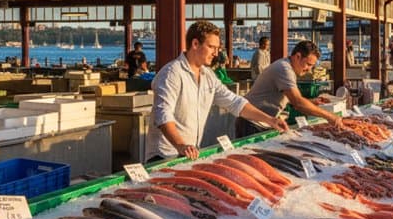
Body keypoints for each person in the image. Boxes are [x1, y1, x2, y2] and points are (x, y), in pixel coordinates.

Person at [145, 21, 288, 162]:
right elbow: (162, 114)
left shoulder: (208, 75)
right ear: (195, 44)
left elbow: (235, 102)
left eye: (217, 48)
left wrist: (270, 120)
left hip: (188, 154)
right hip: (164, 156)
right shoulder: (171, 73)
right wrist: (180, 145)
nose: (216, 53)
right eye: (211, 47)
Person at [236, 40, 343, 138]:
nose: (309, 70)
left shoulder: (288, 68)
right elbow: (298, 103)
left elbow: (289, 99)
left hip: (264, 121)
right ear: (297, 56)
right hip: (252, 122)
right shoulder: (284, 68)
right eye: (308, 64)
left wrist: (311, 102)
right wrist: (330, 117)